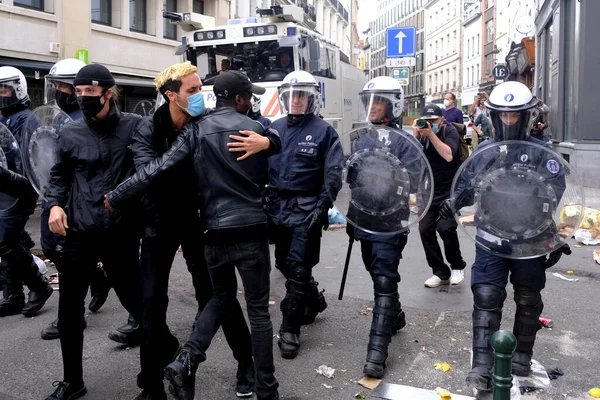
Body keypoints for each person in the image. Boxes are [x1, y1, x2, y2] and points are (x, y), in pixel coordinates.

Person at [105, 70, 281, 400]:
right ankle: (152, 384)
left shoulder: (203, 123)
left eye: (202, 88)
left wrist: (269, 141)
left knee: (218, 297)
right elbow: (152, 174)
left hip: (201, 221)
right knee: (152, 303)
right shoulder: (150, 130)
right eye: (194, 89)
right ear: (172, 95)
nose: (202, 94)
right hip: (161, 221)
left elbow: (264, 130)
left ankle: (244, 365)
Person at [439, 81, 571, 392]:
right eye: (503, 116)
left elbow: (555, 194)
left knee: (528, 297)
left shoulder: (543, 154)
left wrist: (554, 235)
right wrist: (452, 203)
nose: (509, 121)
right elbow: (467, 186)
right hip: (491, 237)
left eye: (515, 116)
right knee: (486, 296)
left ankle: (522, 355)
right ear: (494, 116)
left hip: (529, 239)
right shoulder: (484, 151)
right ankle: (482, 367)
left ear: (526, 116)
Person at [43, 63, 144, 400]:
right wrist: (55, 204)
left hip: (121, 232)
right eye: (79, 92)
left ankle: (161, 357)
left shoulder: (136, 127)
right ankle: (73, 381)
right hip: (79, 231)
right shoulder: (68, 131)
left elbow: (156, 166)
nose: (83, 97)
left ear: (108, 93)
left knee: (138, 302)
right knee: (70, 309)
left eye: (90, 92)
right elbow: (58, 176)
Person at [346, 77, 420, 378]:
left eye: (379, 102)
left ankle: (376, 354)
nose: (372, 108)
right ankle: (396, 316)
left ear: (394, 105)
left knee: (384, 279)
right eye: (370, 102)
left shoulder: (407, 142)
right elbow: (352, 180)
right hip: (363, 219)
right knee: (374, 270)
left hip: (391, 220)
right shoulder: (362, 140)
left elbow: (416, 180)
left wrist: (391, 177)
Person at [266, 71, 339, 360]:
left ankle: (289, 328)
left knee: (298, 268)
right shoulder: (274, 127)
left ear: (311, 99)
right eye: (291, 96)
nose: (295, 101)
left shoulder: (324, 131)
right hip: (277, 208)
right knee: (283, 262)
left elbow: (333, 174)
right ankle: (314, 297)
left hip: (306, 208)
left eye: (301, 95)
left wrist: (322, 207)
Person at [38, 58, 112, 341]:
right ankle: (97, 278)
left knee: (69, 259)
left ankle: (71, 317)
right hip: (56, 195)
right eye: (55, 87)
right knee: (50, 246)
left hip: (79, 203)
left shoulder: (88, 121)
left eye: (62, 87)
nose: (60, 92)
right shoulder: (61, 119)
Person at [0, 66, 54, 318]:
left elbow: (30, 157)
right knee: (12, 239)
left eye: (5, 88)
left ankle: (38, 285)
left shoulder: (26, 118)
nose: (1, 94)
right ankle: (13, 295)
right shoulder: (2, 118)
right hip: (3, 189)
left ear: (17, 90)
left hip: (21, 188)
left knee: (5, 241)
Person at [413, 104, 466, 288]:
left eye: (433, 121)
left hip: (449, 190)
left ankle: (457, 266)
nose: (429, 125)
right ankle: (440, 271)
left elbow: (449, 155)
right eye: (426, 122)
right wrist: (416, 136)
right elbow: (414, 159)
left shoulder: (449, 131)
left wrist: (431, 135)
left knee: (445, 228)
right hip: (429, 191)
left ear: (441, 119)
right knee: (424, 229)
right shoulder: (422, 135)